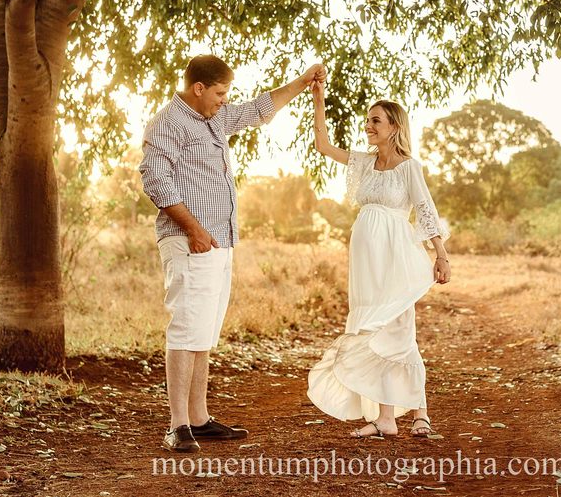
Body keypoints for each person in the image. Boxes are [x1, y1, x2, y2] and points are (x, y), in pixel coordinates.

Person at [139, 54, 326, 452]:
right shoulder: (168, 123)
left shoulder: (216, 119)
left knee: (204, 329)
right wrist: (194, 229)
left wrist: (302, 80)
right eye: (221, 93)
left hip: (218, 242)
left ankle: (199, 418)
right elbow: (154, 179)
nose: (226, 100)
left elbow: (259, 109)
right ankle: (177, 426)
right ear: (199, 88)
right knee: (186, 327)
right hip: (190, 240)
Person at [305, 76, 451, 439]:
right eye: (367, 120)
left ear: (394, 127)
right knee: (375, 330)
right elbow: (323, 145)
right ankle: (386, 418)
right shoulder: (364, 162)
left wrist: (441, 254)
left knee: (399, 327)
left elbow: (425, 209)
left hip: (396, 251)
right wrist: (319, 99)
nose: (368, 126)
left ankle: (421, 412)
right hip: (366, 255)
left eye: (376, 121)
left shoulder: (408, 167)